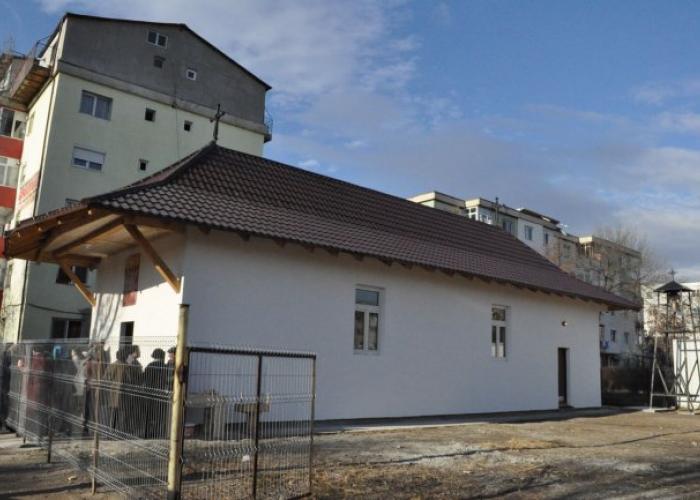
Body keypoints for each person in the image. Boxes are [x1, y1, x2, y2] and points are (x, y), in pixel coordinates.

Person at [144, 349, 168, 439]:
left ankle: (148, 433)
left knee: (149, 414)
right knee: (159, 415)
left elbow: (145, 378)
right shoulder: (165, 366)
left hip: (150, 393)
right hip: (161, 393)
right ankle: (158, 434)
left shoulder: (150, 366)